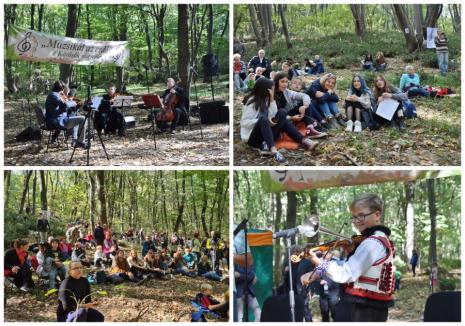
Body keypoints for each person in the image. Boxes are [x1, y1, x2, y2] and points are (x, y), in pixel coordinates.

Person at [304, 193, 395, 322]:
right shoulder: (379, 239)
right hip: (370, 307)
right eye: (354, 217)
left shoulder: (372, 243)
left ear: (377, 215)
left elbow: (346, 273)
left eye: (361, 215)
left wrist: (320, 263)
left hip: (363, 310)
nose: (356, 221)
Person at [45, 80, 87, 148]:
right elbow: (65, 105)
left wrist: (66, 100)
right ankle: (80, 142)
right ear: (62, 88)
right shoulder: (54, 95)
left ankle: (75, 140)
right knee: (83, 119)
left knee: (75, 118)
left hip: (56, 119)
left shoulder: (53, 94)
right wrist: (74, 102)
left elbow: (62, 107)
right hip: (57, 121)